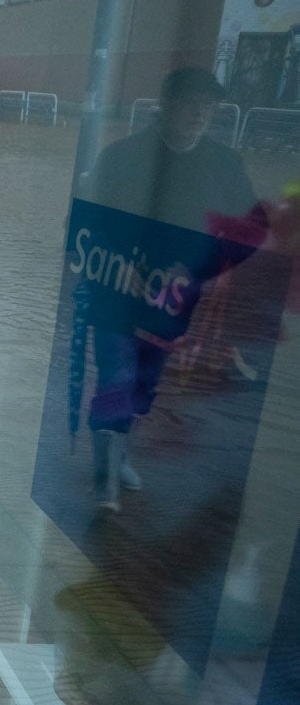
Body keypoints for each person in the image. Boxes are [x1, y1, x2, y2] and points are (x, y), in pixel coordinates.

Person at [83, 67, 262, 511]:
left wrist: (204, 269)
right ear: (166, 104)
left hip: (173, 299)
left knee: (145, 382)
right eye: (191, 103)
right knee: (117, 374)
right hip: (114, 291)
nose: (201, 113)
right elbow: (87, 220)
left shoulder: (225, 165)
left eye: (210, 105)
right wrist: (115, 264)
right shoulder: (121, 157)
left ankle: (117, 447)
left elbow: (250, 231)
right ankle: (105, 470)